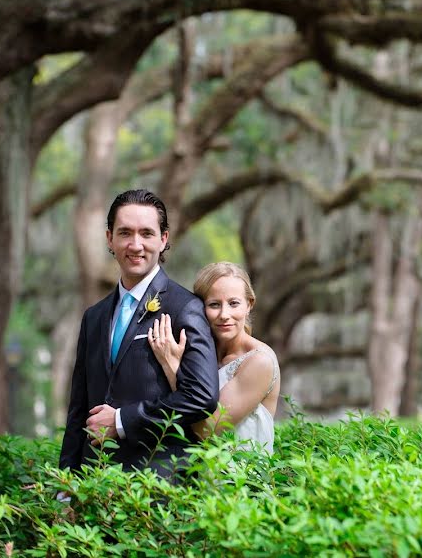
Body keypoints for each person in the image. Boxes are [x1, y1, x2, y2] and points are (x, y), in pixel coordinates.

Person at [59, 190, 219, 476]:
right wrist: (65, 486)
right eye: (125, 233)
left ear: (163, 239)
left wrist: (122, 420)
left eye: (146, 233)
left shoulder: (185, 308)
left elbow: (200, 396)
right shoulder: (93, 317)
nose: (136, 245)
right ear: (110, 239)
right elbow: (78, 410)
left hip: (154, 487)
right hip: (92, 484)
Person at [148, 262, 280, 453]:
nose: (224, 315)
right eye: (214, 305)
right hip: (197, 478)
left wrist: (172, 368)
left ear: (249, 305)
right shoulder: (197, 356)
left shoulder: (259, 362)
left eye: (234, 303)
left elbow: (207, 429)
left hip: (240, 480)